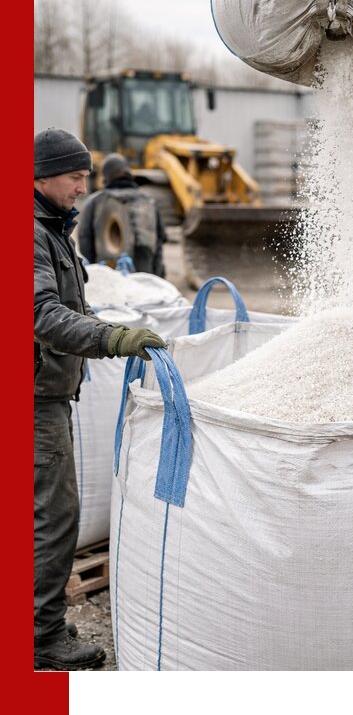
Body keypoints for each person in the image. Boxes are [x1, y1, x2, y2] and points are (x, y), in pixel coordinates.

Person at [34, 128, 167, 670]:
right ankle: (42, 641)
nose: (84, 186)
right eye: (74, 175)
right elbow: (40, 315)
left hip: (48, 390)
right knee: (55, 515)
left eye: (87, 174)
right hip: (35, 397)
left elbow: (70, 304)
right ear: (40, 175)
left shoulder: (54, 228)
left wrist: (105, 325)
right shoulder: (31, 232)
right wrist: (110, 340)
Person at [79, 153, 166, 276]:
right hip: (146, 284)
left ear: (105, 177)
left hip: (109, 282)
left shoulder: (95, 202)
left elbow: (85, 241)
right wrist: (158, 278)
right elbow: (160, 243)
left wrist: (94, 273)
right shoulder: (149, 202)